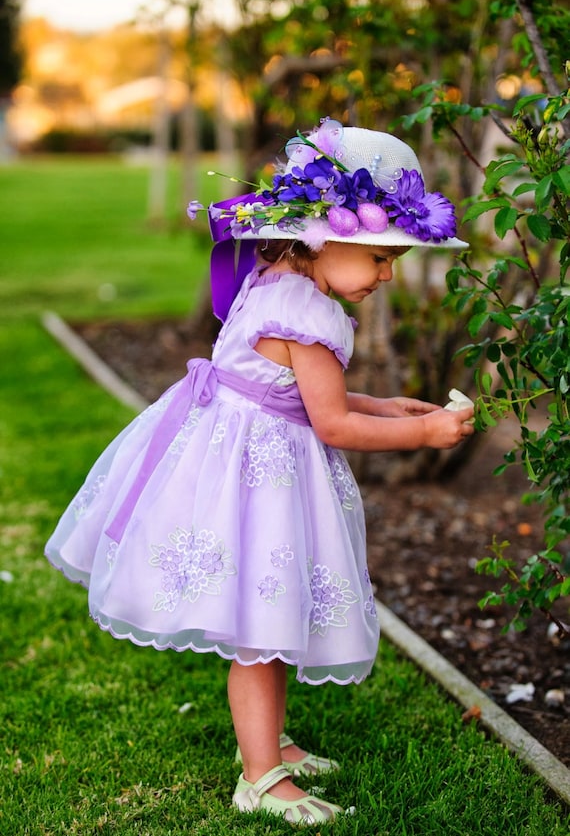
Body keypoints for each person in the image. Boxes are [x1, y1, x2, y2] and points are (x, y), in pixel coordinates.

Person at [45, 117, 474, 826]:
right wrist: (424, 431)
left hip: (240, 454)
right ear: (325, 236)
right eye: (379, 256)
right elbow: (330, 422)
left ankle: (271, 743)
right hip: (258, 477)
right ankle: (260, 776)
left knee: (266, 620)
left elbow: (302, 392)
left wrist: (383, 403)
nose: (388, 274)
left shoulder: (277, 279)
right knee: (260, 626)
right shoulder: (309, 314)